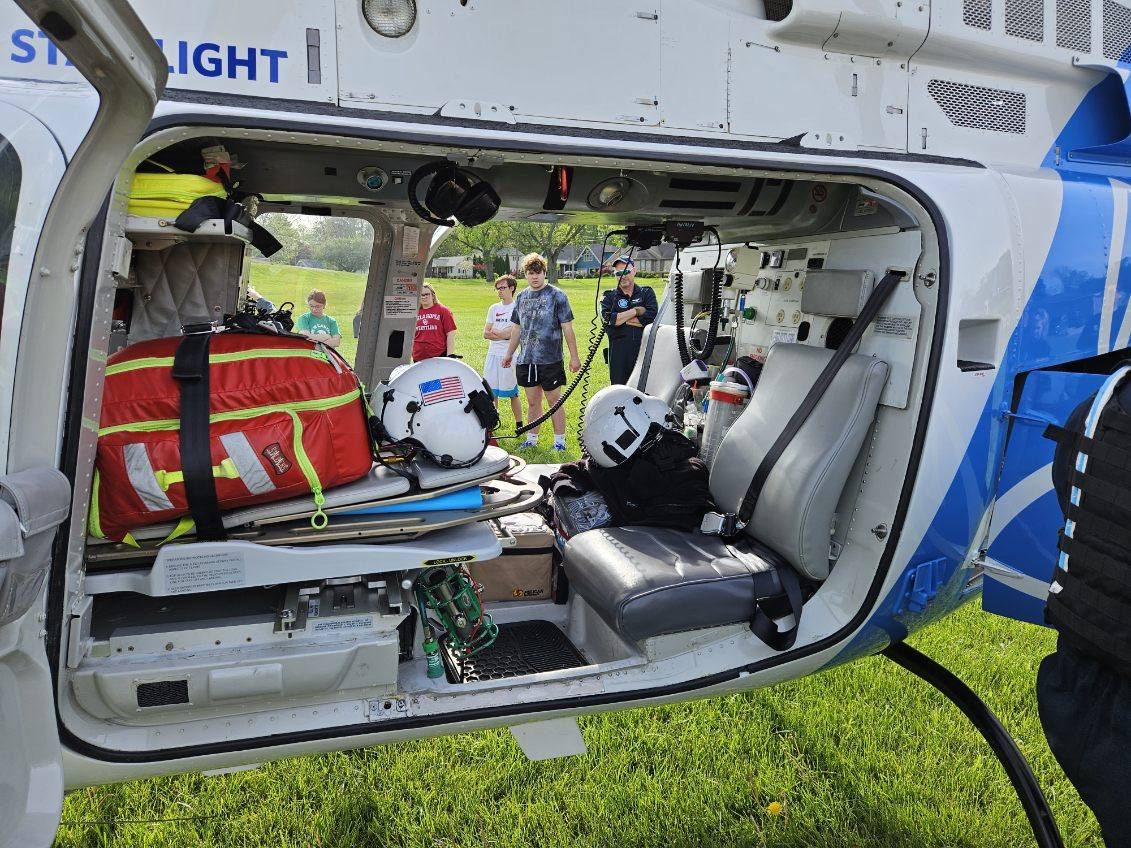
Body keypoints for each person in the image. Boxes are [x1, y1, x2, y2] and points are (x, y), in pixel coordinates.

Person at [502, 253, 580, 452]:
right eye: (530, 273)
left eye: (538, 273)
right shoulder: (521, 297)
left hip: (550, 359)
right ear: (525, 275)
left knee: (554, 401)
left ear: (545, 273)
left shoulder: (557, 295)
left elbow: (567, 327)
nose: (534, 277)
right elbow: (517, 329)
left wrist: (574, 356)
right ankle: (531, 439)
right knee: (532, 401)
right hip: (527, 359)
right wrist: (509, 353)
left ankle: (559, 442)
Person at [600, 255, 658, 384]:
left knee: (644, 390)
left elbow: (651, 317)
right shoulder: (609, 297)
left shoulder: (646, 293)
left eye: (626, 271)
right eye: (619, 273)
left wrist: (622, 320)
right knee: (620, 392)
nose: (623, 276)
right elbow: (610, 320)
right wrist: (636, 311)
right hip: (619, 356)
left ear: (634, 271)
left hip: (644, 352)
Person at [483, 275, 523, 428]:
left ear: (511, 288)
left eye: (503, 288)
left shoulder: (517, 307)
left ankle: (519, 424)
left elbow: (513, 334)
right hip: (492, 354)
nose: (500, 291)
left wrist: (498, 332)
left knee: (512, 392)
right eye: (498, 289)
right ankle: (493, 422)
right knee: (491, 392)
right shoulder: (493, 308)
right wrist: (504, 334)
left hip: (510, 354)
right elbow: (485, 333)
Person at [413, 283, 457, 362]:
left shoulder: (443, 310)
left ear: (433, 295)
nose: (424, 297)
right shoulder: (414, 312)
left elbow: (450, 334)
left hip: (439, 356)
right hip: (418, 357)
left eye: (427, 294)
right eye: (421, 295)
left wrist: (449, 356)